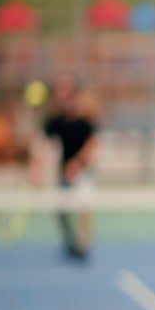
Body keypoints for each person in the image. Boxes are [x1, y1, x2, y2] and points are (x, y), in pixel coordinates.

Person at [29, 73, 98, 261]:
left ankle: (84, 244)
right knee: (60, 210)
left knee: (84, 206)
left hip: (82, 172)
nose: (63, 96)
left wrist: (77, 164)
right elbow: (43, 144)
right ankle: (69, 242)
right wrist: (36, 168)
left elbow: (92, 146)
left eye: (66, 92)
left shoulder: (85, 120)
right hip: (63, 173)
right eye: (60, 92)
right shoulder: (56, 121)